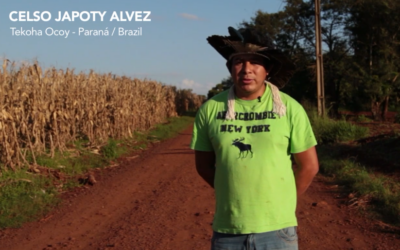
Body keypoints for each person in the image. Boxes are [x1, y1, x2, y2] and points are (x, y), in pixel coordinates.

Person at [190, 26, 319, 250]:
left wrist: (282, 202)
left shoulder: (289, 108)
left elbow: (308, 166)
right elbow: (204, 166)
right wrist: (233, 192)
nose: (246, 70)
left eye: (255, 62)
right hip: (228, 231)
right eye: (239, 61)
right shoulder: (210, 110)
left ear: (267, 69)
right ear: (230, 68)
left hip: (277, 231)